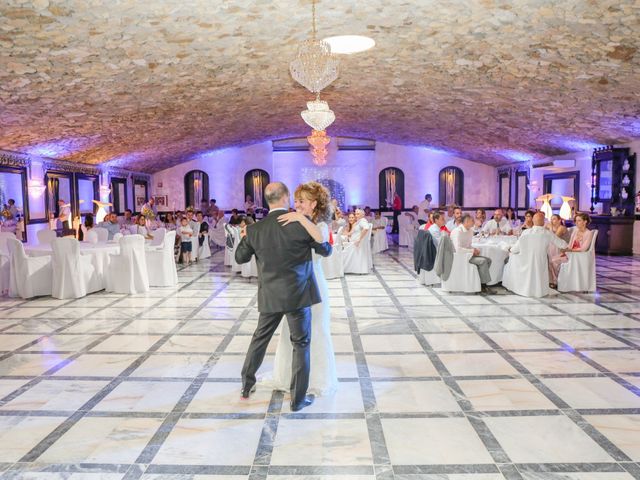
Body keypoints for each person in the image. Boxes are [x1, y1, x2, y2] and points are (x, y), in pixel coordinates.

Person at [235, 182, 332, 412]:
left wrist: (245, 236)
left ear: (266, 200)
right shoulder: (300, 225)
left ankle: (246, 385)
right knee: (301, 344)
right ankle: (298, 399)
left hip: (270, 294)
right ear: (286, 198)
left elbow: (240, 258)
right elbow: (325, 250)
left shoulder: (255, 229)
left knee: (260, 338)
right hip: (298, 295)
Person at [270, 181, 338, 396]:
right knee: (290, 331)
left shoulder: (321, 226)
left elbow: (320, 245)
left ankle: (315, 379)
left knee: (315, 329)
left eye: (302, 201)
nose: (296, 205)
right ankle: (289, 377)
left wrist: (299, 219)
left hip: (313, 282)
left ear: (314, 204)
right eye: (296, 200)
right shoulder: (293, 221)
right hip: (293, 283)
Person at [450, 214, 494, 293]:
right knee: (483, 261)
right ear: (466, 222)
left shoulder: (470, 231)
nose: (474, 222)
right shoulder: (457, 231)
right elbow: (458, 249)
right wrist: (471, 251)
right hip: (459, 257)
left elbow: (468, 245)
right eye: (472, 221)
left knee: (488, 260)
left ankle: (480, 282)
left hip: (468, 255)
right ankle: (484, 286)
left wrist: (474, 249)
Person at [549, 213, 594, 287]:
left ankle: (559, 281)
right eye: (576, 221)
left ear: (585, 222)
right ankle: (559, 280)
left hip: (579, 256)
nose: (576, 222)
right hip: (571, 253)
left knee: (555, 261)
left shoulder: (588, 233)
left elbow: (584, 248)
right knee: (552, 260)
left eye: (579, 220)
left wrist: (571, 251)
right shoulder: (575, 232)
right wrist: (566, 249)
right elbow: (570, 245)